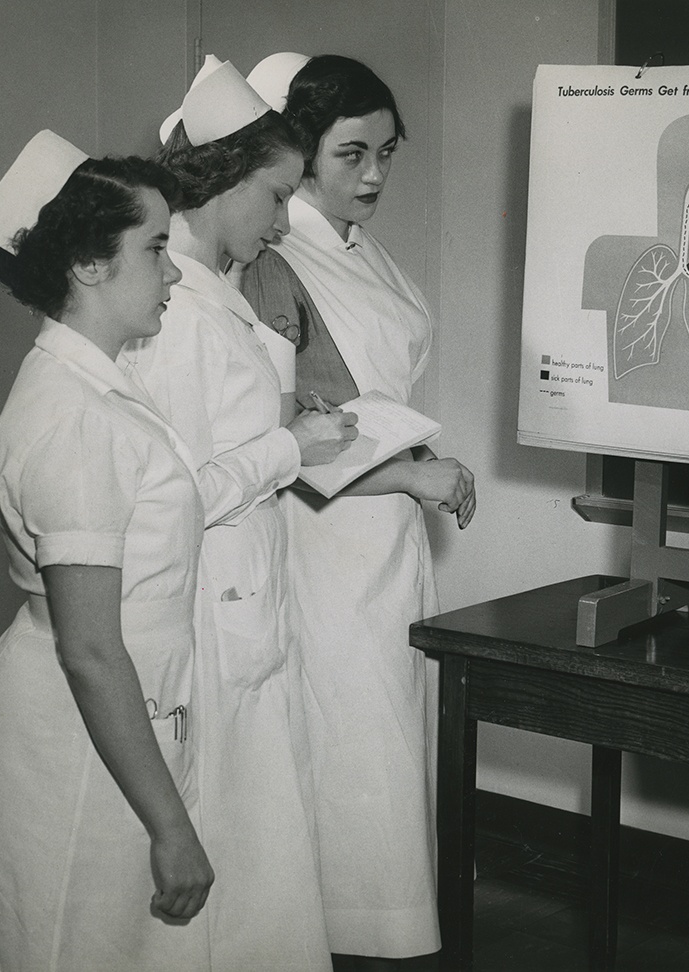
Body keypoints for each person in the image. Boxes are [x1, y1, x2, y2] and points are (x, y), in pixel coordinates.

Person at [0, 132, 212, 970]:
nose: (174, 273)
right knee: (69, 942)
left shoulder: (93, 385)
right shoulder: (79, 417)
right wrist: (171, 826)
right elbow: (92, 649)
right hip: (76, 728)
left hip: (100, 718)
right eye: (158, 248)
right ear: (90, 266)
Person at [240, 53, 476, 968]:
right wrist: (413, 474)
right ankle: (332, 937)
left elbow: (369, 395)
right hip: (321, 536)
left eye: (388, 152)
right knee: (348, 735)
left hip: (385, 529)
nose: (375, 175)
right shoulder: (276, 259)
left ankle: (380, 931)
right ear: (300, 153)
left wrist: (415, 472)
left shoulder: (355, 243)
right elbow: (280, 437)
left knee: (383, 731)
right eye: (352, 154)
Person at [128, 56, 357, 972]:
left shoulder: (210, 293)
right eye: (274, 196)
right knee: (229, 847)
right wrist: (291, 447)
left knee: (260, 846)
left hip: (243, 600)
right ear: (222, 179)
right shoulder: (176, 308)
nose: (280, 221)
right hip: (208, 616)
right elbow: (177, 491)